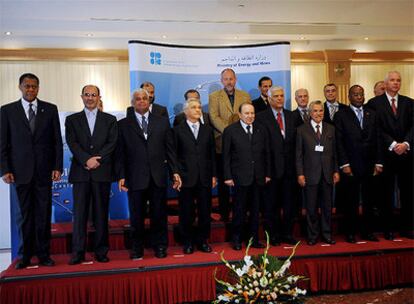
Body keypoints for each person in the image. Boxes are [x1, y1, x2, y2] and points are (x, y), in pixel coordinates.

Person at [0, 73, 63, 269]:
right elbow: (2, 143)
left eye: (34, 86)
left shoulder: (50, 109)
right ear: (20, 87)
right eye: (27, 86)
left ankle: (44, 254)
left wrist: (57, 167)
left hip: (44, 172)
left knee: (43, 215)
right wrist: (5, 169)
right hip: (20, 172)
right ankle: (25, 255)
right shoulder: (7, 111)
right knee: (24, 215)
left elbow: (56, 142)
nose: (30, 89)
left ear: (38, 88)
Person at [65, 85, 118, 265]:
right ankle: (78, 252)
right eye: (86, 95)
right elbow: (72, 142)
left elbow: (112, 143)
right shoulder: (72, 119)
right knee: (79, 215)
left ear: (99, 97)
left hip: (101, 173)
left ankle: (101, 251)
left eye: (93, 95)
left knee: (101, 215)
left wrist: (98, 160)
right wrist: (86, 159)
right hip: (81, 173)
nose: (89, 98)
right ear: (81, 97)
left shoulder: (110, 120)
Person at [117, 89, 171, 259]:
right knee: (137, 216)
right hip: (135, 177)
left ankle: (160, 246)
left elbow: (170, 150)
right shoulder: (123, 124)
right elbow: (120, 153)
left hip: (157, 176)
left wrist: (174, 172)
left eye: (144, 99)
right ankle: (137, 248)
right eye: (138, 99)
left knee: (159, 215)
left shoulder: (162, 122)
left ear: (149, 102)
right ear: (132, 102)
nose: (141, 101)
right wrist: (121, 175)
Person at [334, 85, 383, 243]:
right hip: (351, 164)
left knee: (369, 200)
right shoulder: (341, 115)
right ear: (349, 96)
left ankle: (367, 232)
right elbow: (339, 142)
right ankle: (350, 232)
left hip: (369, 164)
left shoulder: (372, 114)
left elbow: (378, 139)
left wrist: (379, 162)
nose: (359, 97)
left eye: (361, 94)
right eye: (355, 95)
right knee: (351, 201)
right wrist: (344, 164)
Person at [167, 98, 217, 254]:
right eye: (194, 107)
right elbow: (172, 155)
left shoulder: (207, 130)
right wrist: (175, 174)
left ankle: (202, 241)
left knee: (204, 211)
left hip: (204, 176)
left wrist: (214, 174)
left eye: (199, 107)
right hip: (185, 177)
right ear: (186, 111)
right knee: (186, 212)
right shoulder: (177, 130)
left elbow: (212, 155)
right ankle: (187, 242)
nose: (198, 110)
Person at [368, 71, 413, 239]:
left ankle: (407, 227)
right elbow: (375, 128)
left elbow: (413, 127)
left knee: (407, 193)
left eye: (398, 80)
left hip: (406, 154)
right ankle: (388, 229)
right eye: (392, 80)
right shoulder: (374, 103)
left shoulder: (409, 103)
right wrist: (393, 144)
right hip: (385, 155)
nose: (396, 83)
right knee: (385, 194)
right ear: (385, 83)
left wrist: (406, 143)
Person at [222, 103, 271, 250]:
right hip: (239, 177)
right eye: (247, 113)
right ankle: (236, 239)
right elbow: (226, 156)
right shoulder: (230, 130)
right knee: (239, 210)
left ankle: (254, 239)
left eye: (252, 113)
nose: (250, 116)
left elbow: (266, 153)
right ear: (239, 114)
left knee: (255, 211)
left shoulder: (261, 129)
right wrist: (227, 176)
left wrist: (267, 173)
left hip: (258, 177)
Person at [256, 86, 298, 246]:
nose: (280, 98)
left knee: (289, 205)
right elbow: (260, 147)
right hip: (270, 170)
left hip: (290, 170)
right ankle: (273, 235)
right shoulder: (261, 117)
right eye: (276, 96)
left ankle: (287, 233)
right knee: (270, 206)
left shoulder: (291, 116)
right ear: (269, 98)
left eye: (282, 95)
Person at [208, 68, 251, 221]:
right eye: (225, 79)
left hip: (242, 146)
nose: (229, 82)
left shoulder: (245, 96)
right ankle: (225, 213)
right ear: (221, 81)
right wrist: (230, 132)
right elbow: (214, 117)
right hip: (222, 142)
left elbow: (247, 116)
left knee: (242, 181)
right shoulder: (214, 97)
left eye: (231, 79)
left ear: (235, 79)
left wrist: (238, 133)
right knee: (224, 180)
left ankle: (243, 211)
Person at [296, 100, 340, 245]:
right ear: (310, 113)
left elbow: (335, 153)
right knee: (311, 208)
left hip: (327, 174)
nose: (318, 113)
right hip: (310, 175)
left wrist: (335, 170)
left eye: (320, 110)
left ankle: (327, 235)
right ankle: (312, 236)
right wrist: (300, 173)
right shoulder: (302, 130)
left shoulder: (330, 129)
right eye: (315, 111)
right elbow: (299, 154)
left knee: (327, 207)